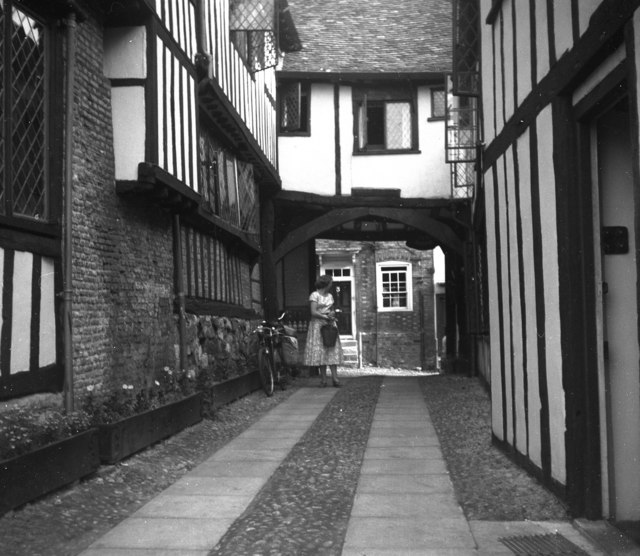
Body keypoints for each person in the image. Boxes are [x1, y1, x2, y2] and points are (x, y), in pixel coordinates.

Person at [303, 274, 343, 387]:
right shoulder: (314, 295)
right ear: (326, 283)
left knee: (332, 350)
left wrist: (332, 314)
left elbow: (331, 309)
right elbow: (313, 312)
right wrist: (326, 317)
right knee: (321, 351)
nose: (331, 284)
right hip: (318, 325)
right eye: (330, 282)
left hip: (330, 324)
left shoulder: (330, 296)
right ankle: (323, 380)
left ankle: (335, 379)